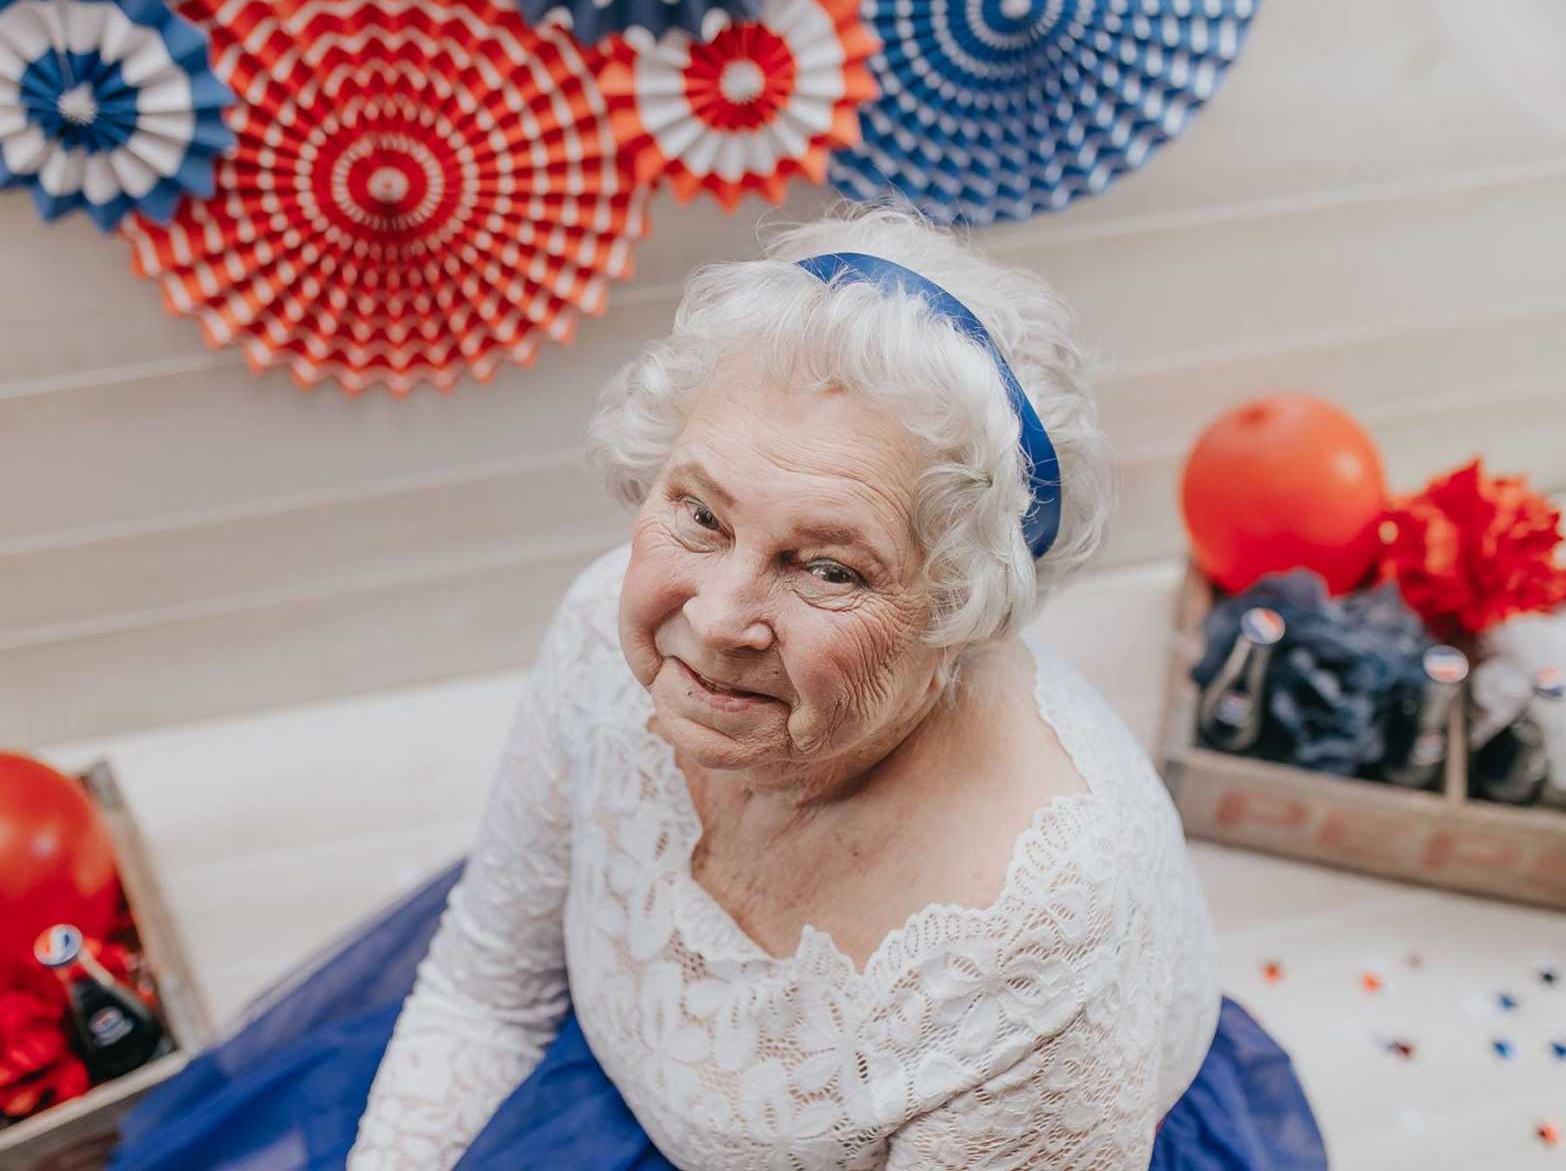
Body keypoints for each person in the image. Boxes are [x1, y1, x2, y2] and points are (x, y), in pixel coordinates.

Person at [110, 204, 1326, 1170]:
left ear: (958, 614)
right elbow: (487, 993)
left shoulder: (1035, 938)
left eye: (827, 565)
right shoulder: (606, 623)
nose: (716, 616)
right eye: (697, 511)